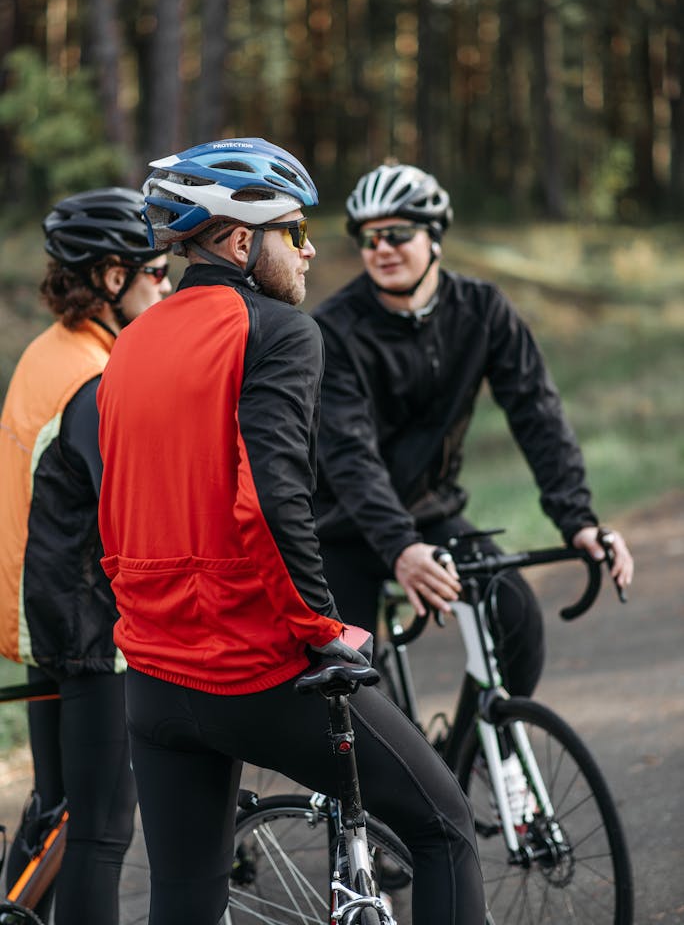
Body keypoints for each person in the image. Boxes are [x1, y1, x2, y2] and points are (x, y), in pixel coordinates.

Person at [96, 138, 486, 925]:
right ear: (243, 241)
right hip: (252, 667)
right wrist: (323, 630)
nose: (310, 252)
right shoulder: (276, 330)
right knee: (445, 827)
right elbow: (274, 501)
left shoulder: (128, 345)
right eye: (296, 231)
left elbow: (119, 505)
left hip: (153, 676)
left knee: (183, 893)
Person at [311, 162, 634, 801]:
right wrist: (399, 547)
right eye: (367, 238)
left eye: (397, 233)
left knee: (513, 612)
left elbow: (538, 414)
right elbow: (348, 456)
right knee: (356, 681)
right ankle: (379, 813)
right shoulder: (334, 328)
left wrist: (579, 520)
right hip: (343, 525)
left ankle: (464, 760)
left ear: (435, 236)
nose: (381, 249)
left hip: (431, 512)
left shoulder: (482, 311)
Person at [0, 188, 172, 925]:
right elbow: (132, 516)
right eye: (156, 271)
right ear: (111, 276)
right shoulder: (97, 382)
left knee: (57, 811)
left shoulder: (52, 351)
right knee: (101, 833)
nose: (165, 286)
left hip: (41, 618)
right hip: (88, 630)